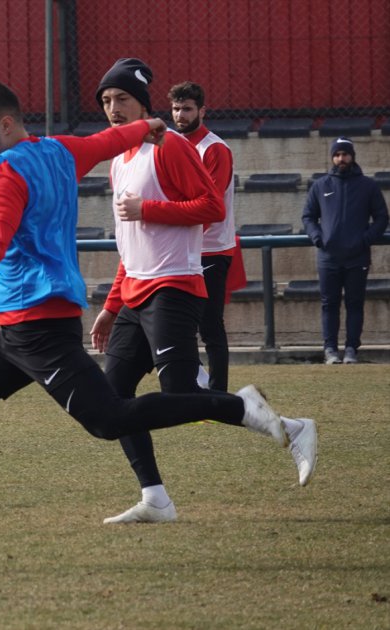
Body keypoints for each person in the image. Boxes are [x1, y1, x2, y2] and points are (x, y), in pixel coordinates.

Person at [0, 81, 316, 526]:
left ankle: (240, 407)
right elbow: (106, 140)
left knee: (109, 419)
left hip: (39, 328)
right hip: (15, 333)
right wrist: (148, 127)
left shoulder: (5, 172)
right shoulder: (56, 150)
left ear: (5, 125)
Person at [89, 60, 316, 524]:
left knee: (175, 390)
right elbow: (127, 245)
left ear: (143, 105)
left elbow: (211, 206)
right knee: (112, 403)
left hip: (174, 285)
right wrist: (111, 308)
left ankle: (286, 426)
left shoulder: (168, 146)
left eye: (122, 100)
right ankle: (156, 498)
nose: (113, 109)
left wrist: (148, 207)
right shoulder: (119, 160)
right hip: (134, 293)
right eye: (106, 101)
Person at [169, 80, 242, 392]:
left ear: (202, 110)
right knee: (179, 325)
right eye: (175, 108)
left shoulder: (214, 149)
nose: (180, 115)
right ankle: (195, 388)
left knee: (210, 326)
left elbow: (210, 210)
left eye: (187, 109)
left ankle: (219, 393)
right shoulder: (171, 145)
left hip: (210, 251)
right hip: (182, 249)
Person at [302, 137, 388, 365]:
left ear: (352, 156)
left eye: (345, 154)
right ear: (332, 157)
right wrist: (317, 237)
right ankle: (330, 349)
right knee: (329, 304)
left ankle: (351, 349)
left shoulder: (368, 186)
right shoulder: (320, 186)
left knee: (354, 303)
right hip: (328, 257)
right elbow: (308, 216)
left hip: (357, 256)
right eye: (338, 154)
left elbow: (381, 218)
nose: (342, 158)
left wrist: (365, 240)